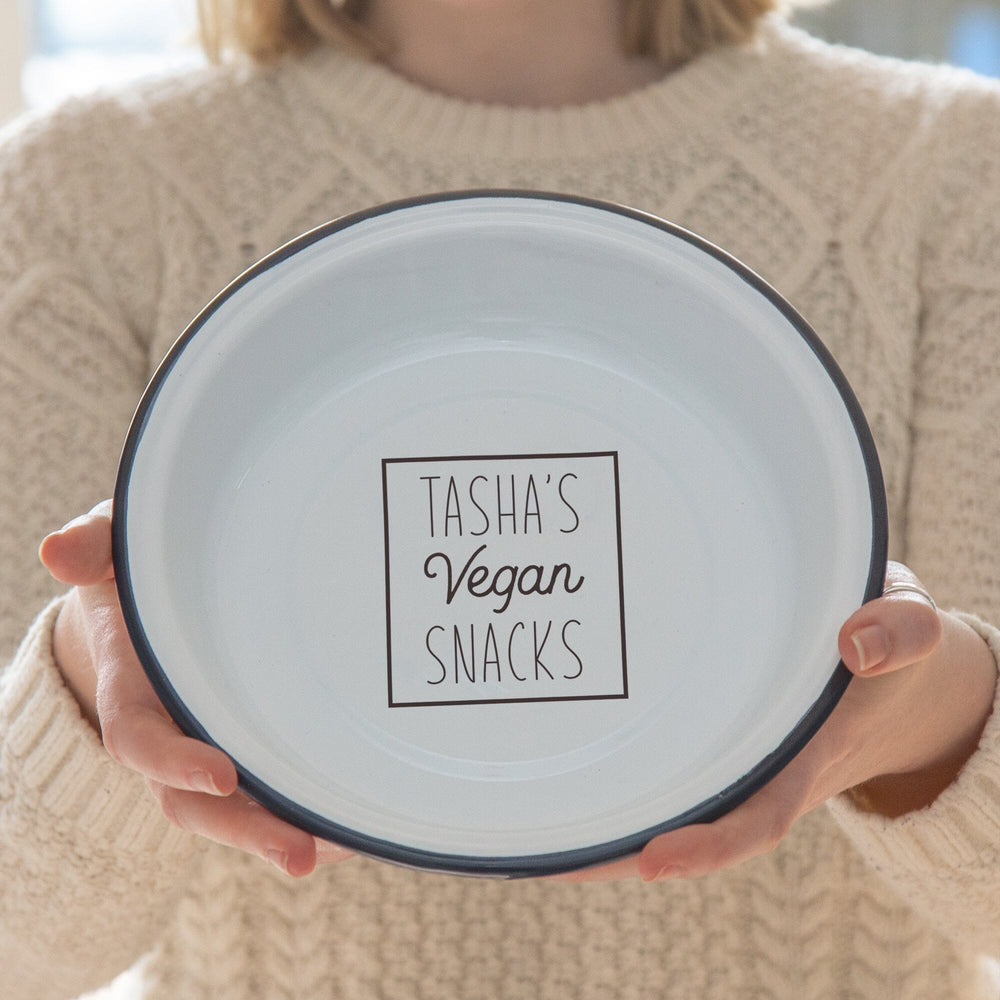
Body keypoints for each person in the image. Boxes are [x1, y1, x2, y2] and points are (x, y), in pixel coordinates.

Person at [1, 0, 998, 997]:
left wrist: (933, 717)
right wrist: (97, 685)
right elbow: (22, 950)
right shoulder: (84, 192)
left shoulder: (949, 170)